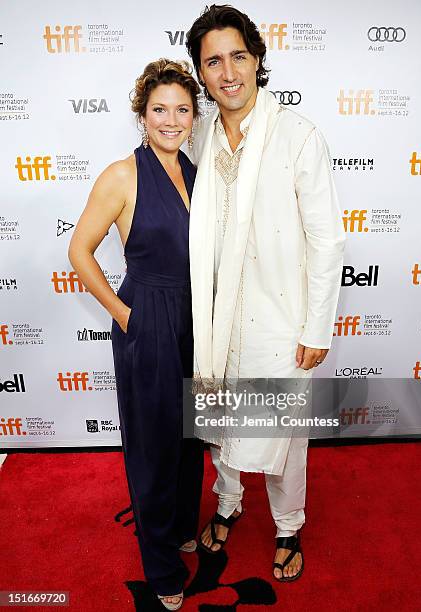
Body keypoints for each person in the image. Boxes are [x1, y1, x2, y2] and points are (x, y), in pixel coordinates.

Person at [186, 5, 345, 582]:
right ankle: (227, 504)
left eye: (238, 56)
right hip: (215, 317)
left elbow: (327, 241)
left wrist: (316, 328)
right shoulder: (197, 134)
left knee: (282, 437)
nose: (228, 72)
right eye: (213, 61)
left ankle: (288, 524)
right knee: (220, 425)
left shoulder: (298, 136)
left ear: (257, 60)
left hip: (280, 319)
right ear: (200, 73)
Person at [68, 59, 204, 610]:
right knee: (152, 443)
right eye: (159, 110)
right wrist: (125, 315)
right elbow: (79, 250)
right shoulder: (123, 174)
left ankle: (178, 528)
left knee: (192, 434)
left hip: (197, 318)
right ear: (141, 115)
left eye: (182, 110)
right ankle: (162, 565)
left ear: (195, 116)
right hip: (147, 313)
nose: (170, 121)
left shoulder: (198, 173)